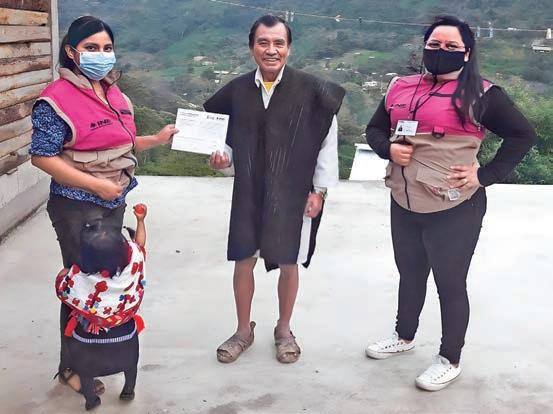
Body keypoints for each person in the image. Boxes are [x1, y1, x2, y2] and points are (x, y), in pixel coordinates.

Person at [364, 15, 537, 391]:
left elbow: (522, 135)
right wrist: (388, 149)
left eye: (451, 47)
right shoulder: (400, 87)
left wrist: (485, 175)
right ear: (424, 46)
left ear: (467, 53)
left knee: (450, 283)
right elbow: (374, 129)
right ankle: (404, 335)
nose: (441, 51)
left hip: (455, 207)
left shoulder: (482, 94)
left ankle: (450, 358)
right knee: (410, 273)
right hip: (404, 201)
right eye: (434, 45)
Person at [30, 16, 177, 395]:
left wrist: (156, 139)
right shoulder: (56, 99)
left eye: (107, 48)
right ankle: (70, 368)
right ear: (71, 52)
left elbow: (119, 143)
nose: (101, 54)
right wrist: (96, 185)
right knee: (81, 285)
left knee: (107, 283)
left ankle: (96, 352)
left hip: (113, 203)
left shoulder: (113, 93)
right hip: (77, 208)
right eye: (91, 48)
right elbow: (42, 156)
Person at [204, 15, 345, 364]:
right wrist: (222, 162)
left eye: (278, 43)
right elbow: (222, 143)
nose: (271, 50)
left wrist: (319, 191)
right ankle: (242, 330)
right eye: (263, 42)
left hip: (295, 190)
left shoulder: (314, 92)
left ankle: (284, 329)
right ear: (252, 47)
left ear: (289, 48)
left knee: (289, 260)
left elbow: (327, 144)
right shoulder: (236, 92)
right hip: (249, 189)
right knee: (243, 258)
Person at [55, 204, 148, 411]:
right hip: (126, 337)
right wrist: (140, 221)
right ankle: (128, 390)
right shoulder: (133, 267)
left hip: (88, 342)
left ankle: (91, 400)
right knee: (131, 366)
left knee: (85, 371)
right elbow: (140, 244)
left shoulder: (80, 280)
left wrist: (66, 273)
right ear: (124, 252)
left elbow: (62, 290)